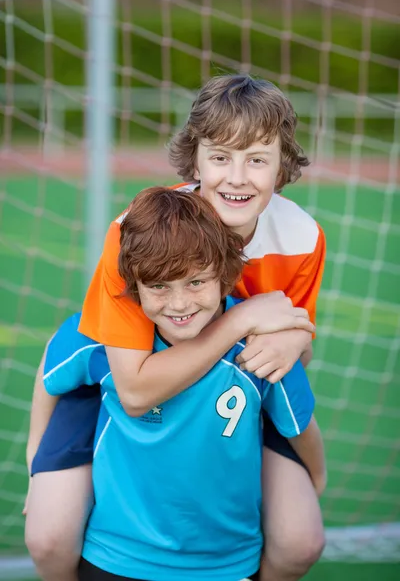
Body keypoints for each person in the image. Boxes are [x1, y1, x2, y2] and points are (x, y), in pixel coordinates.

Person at [25, 74, 326, 581]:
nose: (237, 177)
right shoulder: (138, 230)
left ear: (283, 165)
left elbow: (291, 352)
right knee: (48, 536)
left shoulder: (301, 236)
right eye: (220, 157)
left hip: (238, 386)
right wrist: (244, 319)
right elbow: (134, 387)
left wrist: (297, 334)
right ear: (195, 159)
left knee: (300, 541)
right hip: (121, 380)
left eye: (257, 159)